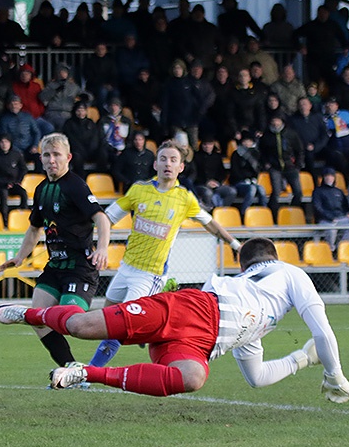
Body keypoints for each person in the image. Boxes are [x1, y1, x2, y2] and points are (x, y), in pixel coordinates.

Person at [0, 238, 349, 404]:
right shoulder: (290, 273)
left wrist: (306, 358)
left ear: (244, 265)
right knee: (83, 326)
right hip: (190, 308)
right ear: (270, 258)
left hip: (200, 343)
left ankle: (87, 373)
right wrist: (335, 375)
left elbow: (257, 378)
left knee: (193, 378)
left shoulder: (259, 313)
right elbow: (322, 328)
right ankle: (29, 313)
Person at [89, 140, 241, 367]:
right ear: (155, 164)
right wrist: (96, 242)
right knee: (107, 316)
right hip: (126, 267)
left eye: (173, 160)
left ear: (181, 167)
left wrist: (235, 243)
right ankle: (148, 326)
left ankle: (89, 372)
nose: (167, 164)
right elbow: (107, 218)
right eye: (163, 159)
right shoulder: (139, 190)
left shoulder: (184, 198)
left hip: (149, 274)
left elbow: (209, 224)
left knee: (118, 326)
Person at [0, 132, 110, 368]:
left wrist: (102, 248)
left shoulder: (75, 185)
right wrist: (19, 257)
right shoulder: (40, 189)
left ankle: (115, 328)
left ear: (68, 157)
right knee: (39, 319)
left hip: (79, 268)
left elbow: (101, 218)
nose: (51, 160)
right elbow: (34, 229)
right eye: (46, 155)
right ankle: (71, 369)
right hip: (55, 267)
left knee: (72, 323)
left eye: (56, 155)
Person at [0, 133, 28, 220]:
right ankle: (4, 219)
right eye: (2, 142)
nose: (4, 144)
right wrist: (4, 183)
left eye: (6, 142)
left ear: (10, 143)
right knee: (4, 194)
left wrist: (18, 181)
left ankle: (24, 216)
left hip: (13, 183)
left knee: (23, 193)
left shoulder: (16, 154)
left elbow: (23, 169)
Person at [228, 130, 268, 216]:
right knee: (252, 189)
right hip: (239, 182)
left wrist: (252, 179)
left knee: (261, 189)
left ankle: (264, 212)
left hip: (252, 181)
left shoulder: (256, 154)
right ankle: (244, 213)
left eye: (249, 141)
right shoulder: (236, 154)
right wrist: (245, 178)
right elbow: (235, 171)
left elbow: (258, 169)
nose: (247, 143)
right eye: (245, 141)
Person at [311, 167, 349, 250]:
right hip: (324, 220)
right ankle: (331, 250)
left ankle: (343, 247)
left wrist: (347, 213)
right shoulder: (317, 191)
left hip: (340, 218)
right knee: (331, 229)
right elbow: (318, 208)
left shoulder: (339, 191)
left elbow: (345, 206)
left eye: (331, 176)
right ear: (323, 178)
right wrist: (330, 218)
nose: (329, 178)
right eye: (327, 176)